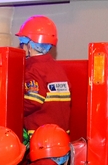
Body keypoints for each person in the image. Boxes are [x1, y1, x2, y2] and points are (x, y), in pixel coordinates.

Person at [16, 15, 71, 144]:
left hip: (39, 138)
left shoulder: (33, 69)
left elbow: (32, 101)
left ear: (30, 45)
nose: (21, 47)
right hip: (60, 137)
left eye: (23, 43)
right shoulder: (57, 68)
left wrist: (11, 109)